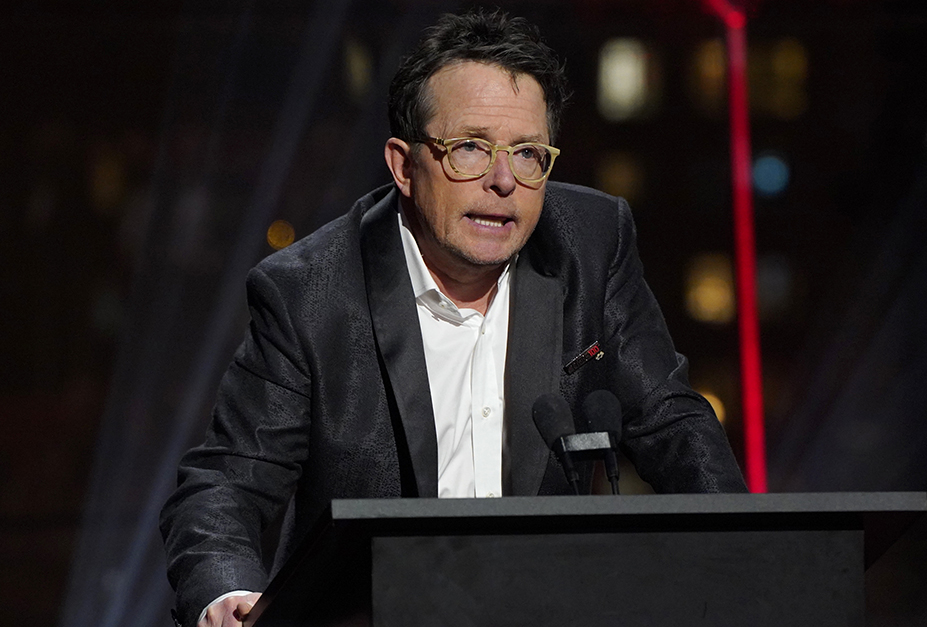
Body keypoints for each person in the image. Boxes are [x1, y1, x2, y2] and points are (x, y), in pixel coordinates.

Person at [160, 9, 746, 627]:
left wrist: (755, 559)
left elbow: (671, 422)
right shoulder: (310, 294)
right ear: (403, 165)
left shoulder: (591, 245)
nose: (502, 182)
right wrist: (226, 595)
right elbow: (225, 483)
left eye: (527, 154)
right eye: (469, 148)